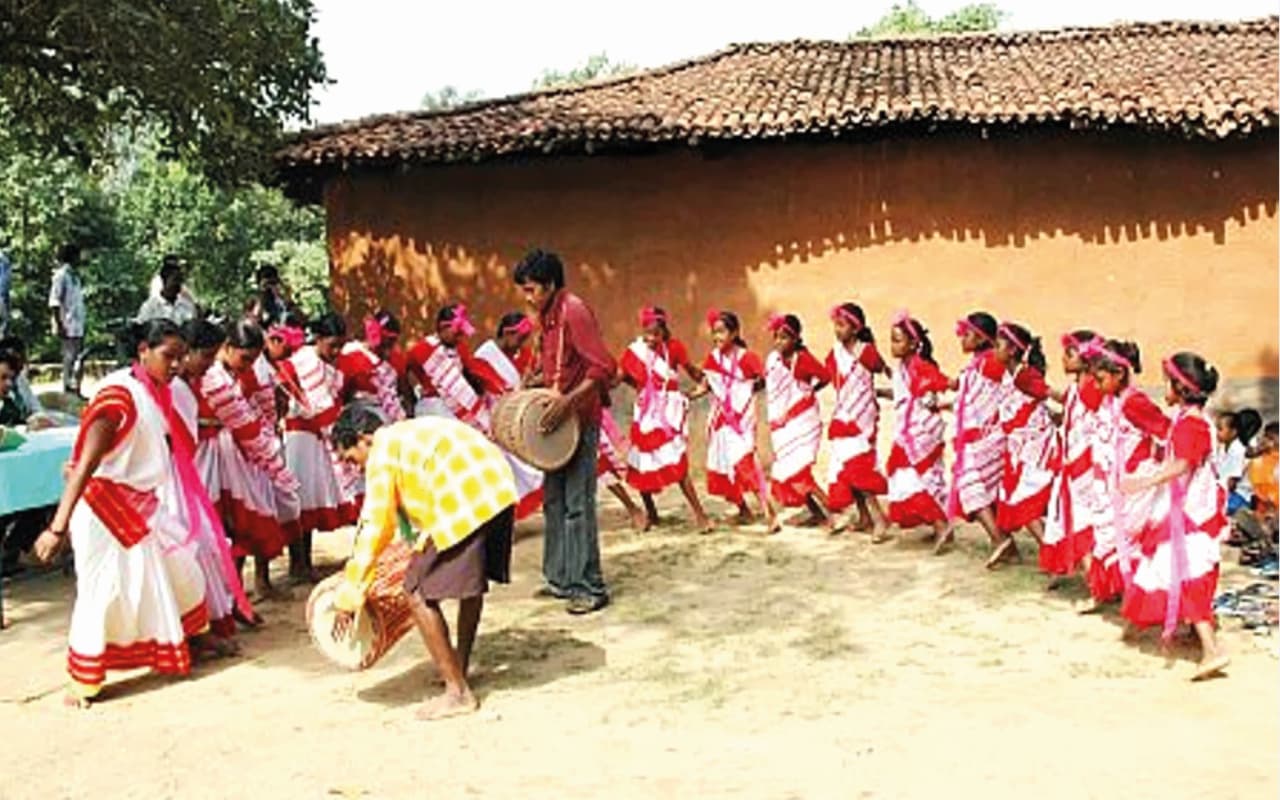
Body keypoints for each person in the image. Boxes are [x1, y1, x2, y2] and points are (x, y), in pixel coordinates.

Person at [32, 319, 207, 706]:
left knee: (174, 572)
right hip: (103, 509)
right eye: (168, 357)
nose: (177, 366)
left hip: (139, 503)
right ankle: (84, 680)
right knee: (105, 592)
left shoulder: (152, 390)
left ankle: (185, 641)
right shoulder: (119, 396)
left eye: (181, 357)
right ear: (142, 350)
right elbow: (86, 464)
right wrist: (56, 529)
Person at [330, 407, 517, 720]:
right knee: (470, 583)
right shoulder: (409, 431)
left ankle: (457, 691)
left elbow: (376, 524)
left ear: (364, 440)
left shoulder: (382, 452)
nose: (356, 467)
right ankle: (460, 666)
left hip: (464, 494)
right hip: (495, 485)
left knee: (416, 592)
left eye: (352, 458)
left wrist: (350, 594)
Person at [514, 248, 614, 615]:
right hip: (556, 425)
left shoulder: (573, 311)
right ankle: (560, 578)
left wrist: (567, 403)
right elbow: (559, 367)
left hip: (578, 421)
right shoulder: (547, 317)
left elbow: (602, 368)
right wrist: (535, 382)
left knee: (576, 505)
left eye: (532, 290)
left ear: (551, 285)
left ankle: (589, 585)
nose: (528, 297)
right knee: (554, 502)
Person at [1118, 352, 1229, 681]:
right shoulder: (1190, 420)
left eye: (1167, 382)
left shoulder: (1191, 424)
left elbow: (1182, 465)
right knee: (1169, 569)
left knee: (1183, 572)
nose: (1163, 388)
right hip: (1185, 506)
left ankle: (1211, 649)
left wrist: (1142, 482)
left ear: (1181, 388)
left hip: (1185, 512)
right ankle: (1139, 630)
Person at [196, 319, 301, 600]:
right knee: (229, 521)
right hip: (215, 454)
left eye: (253, 360)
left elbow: (258, 411)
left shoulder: (241, 374)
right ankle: (231, 593)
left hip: (245, 453)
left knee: (251, 516)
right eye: (245, 358)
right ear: (227, 348)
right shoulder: (212, 376)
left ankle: (252, 585)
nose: (248, 365)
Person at [169, 319, 254, 648]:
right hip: (179, 476)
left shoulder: (192, 382)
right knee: (191, 550)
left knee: (211, 543)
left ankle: (213, 618)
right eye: (205, 356)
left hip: (193, 471)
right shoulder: (175, 386)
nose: (208, 364)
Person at [1082, 339, 1165, 613]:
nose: (1096, 384)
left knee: (1127, 539)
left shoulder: (1135, 403)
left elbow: (1166, 433)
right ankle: (1108, 593)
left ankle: (1136, 600)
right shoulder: (1110, 399)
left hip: (1134, 483)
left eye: (1100, 379)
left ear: (1119, 375)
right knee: (1105, 536)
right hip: (1108, 481)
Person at [619, 306, 712, 532]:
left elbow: (692, 371)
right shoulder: (635, 351)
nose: (650, 339)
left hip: (669, 412)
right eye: (646, 333)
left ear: (664, 331)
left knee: (677, 462)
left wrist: (707, 382)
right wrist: (642, 389)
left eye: (655, 334)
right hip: (646, 412)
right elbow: (622, 376)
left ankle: (700, 516)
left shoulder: (675, 347)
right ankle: (651, 513)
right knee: (642, 461)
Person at [693, 309, 777, 532]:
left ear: (735, 332)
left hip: (741, 421)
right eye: (714, 332)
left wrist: (744, 392)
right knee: (722, 464)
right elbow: (707, 383)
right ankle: (743, 510)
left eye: (721, 332)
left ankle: (770, 514)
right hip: (720, 420)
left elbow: (764, 379)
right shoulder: (713, 357)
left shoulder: (746, 357)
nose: (717, 337)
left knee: (745, 463)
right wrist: (690, 396)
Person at [281, 312, 347, 582]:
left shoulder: (328, 364)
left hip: (317, 436)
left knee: (310, 500)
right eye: (332, 345)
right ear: (317, 339)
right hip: (298, 436)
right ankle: (296, 563)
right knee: (299, 498)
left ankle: (305, 561)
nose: (336, 351)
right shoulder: (304, 362)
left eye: (340, 346)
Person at [879, 312, 953, 551]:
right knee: (917, 477)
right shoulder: (901, 367)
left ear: (913, 343)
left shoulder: (920, 366)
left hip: (920, 431)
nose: (893, 345)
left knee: (911, 479)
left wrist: (948, 392)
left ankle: (942, 525)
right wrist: (881, 393)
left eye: (898, 340)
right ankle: (938, 526)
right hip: (907, 428)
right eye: (891, 339)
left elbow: (936, 388)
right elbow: (905, 394)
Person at [1040, 330, 1107, 581]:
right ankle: (1096, 581)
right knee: (1078, 522)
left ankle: (1096, 585)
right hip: (1072, 464)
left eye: (1070, 354)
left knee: (1084, 523)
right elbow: (1072, 414)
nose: (1064, 359)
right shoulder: (1078, 387)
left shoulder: (1091, 388)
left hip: (1085, 467)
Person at [824, 303, 891, 541]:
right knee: (846, 466)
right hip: (843, 414)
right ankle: (864, 517)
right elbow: (829, 375)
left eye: (842, 325)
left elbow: (886, 371)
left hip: (863, 417)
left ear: (855, 328)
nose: (837, 330)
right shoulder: (835, 353)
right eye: (836, 325)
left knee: (858, 467)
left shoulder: (866, 351)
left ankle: (880, 519)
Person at [948, 312, 1009, 566]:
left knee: (970, 486)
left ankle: (999, 540)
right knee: (983, 489)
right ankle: (1006, 542)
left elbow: (1009, 387)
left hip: (987, 435)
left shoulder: (991, 362)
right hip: (974, 436)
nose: (962, 338)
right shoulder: (976, 363)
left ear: (982, 338)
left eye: (968, 334)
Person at [473, 312, 546, 520]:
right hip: (490, 421)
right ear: (506, 333)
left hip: (513, 418)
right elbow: (494, 390)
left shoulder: (517, 356)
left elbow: (522, 385)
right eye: (519, 339)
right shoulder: (485, 355)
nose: (521, 345)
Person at [765, 313, 834, 531]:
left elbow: (825, 376)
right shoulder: (773, 360)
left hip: (803, 421)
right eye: (776, 337)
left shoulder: (803, 359)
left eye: (784, 337)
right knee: (790, 470)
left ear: (795, 339)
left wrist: (809, 392)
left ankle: (832, 513)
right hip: (783, 422)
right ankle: (819, 516)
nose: (779, 342)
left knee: (799, 472)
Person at [991, 322, 1053, 560]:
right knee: (1017, 500)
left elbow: (1047, 394)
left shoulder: (1025, 375)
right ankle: (1049, 549)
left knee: (1024, 501)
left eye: (998, 345)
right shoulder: (1007, 376)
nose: (994, 350)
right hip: (1017, 447)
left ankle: (1052, 551)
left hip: (1034, 447)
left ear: (1012, 351)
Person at [405, 304, 503, 426]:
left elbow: (470, 373)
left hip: (460, 404)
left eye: (461, 334)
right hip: (433, 407)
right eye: (457, 334)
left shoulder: (460, 349)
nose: (459, 338)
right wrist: (410, 403)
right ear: (443, 327)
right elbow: (402, 374)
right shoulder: (421, 350)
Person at [337, 310, 408, 423]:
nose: (390, 344)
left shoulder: (396, 358)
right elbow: (342, 393)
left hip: (394, 414)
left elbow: (402, 389)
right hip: (364, 416)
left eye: (393, 340)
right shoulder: (352, 355)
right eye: (387, 339)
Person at [1237, 421, 1279, 563]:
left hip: (1273, 515)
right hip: (1265, 513)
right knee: (1241, 514)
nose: (1262, 440)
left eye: (1267, 437)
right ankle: (1265, 547)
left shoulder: (1269, 463)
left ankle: (1267, 549)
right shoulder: (1259, 462)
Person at [48, 243, 87, 396]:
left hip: (77, 324)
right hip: (67, 323)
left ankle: (76, 387)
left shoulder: (75, 277)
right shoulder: (61, 276)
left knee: (78, 358)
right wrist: (59, 324)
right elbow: (55, 302)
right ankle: (67, 387)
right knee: (69, 358)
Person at [137, 256, 198, 325]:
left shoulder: (188, 306)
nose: (177, 284)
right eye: (175, 280)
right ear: (164, 281)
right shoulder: (150, 307)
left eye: (180, 280)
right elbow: (140, 329)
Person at [1214, 411, 1251, 516]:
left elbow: (1231, 483)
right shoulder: (1223, 447)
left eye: (1220, 429)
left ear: (1233, 432)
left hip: (1238, 496)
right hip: (1223, 489)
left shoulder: (1238, 450)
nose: (1217, 433)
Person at [0, 233, 11, 338]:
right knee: (5, 321)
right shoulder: (3, 259)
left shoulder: (4, 258)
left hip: (3, 294)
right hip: (2, 294)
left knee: (5, 322)